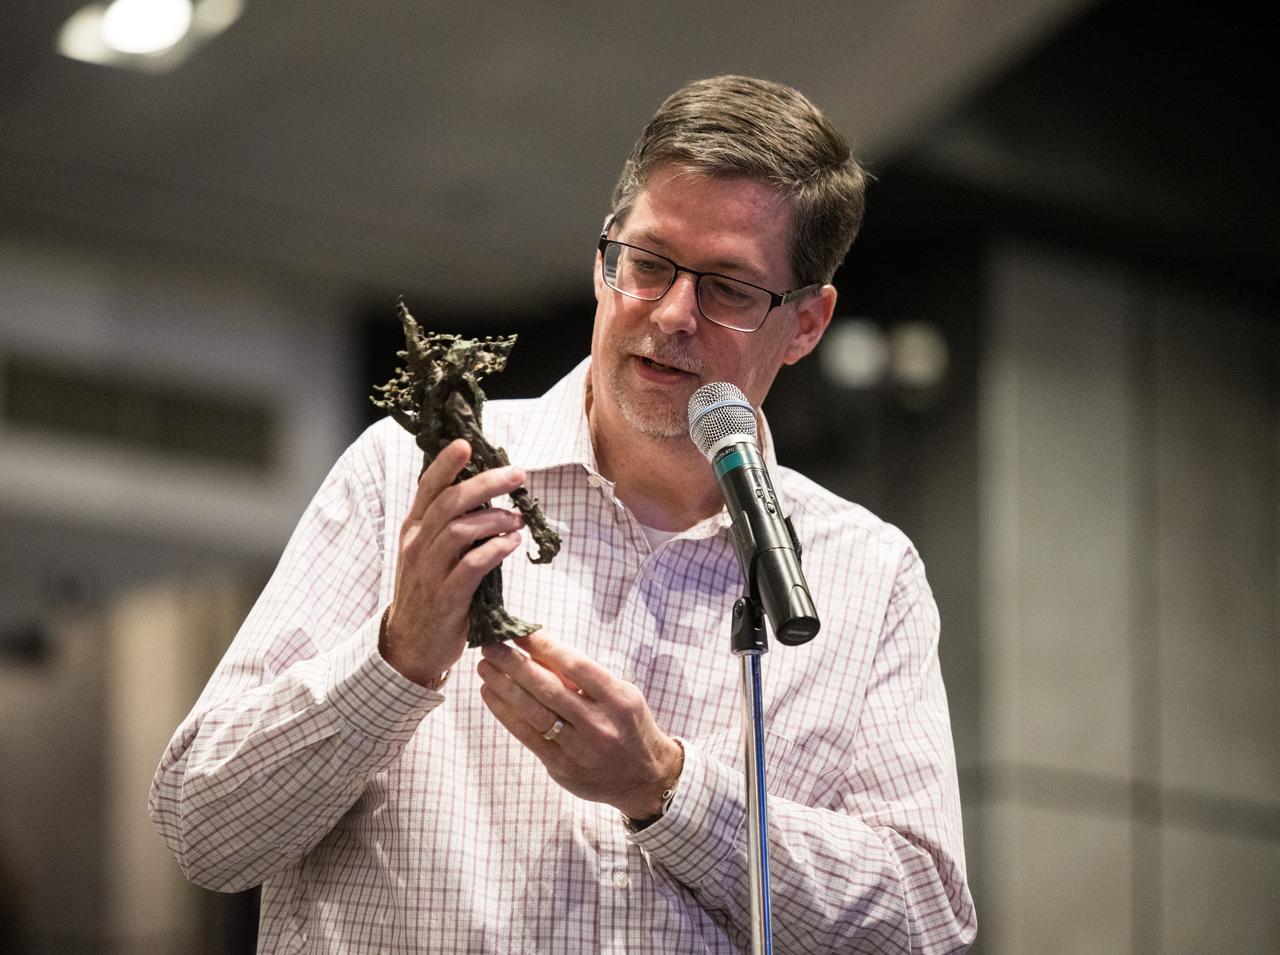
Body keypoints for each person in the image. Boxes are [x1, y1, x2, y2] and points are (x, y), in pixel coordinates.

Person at [149, 75, 976, 953]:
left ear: (808, 322)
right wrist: (397, 655)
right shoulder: (412, 473)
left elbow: (922, 922)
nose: (670, 314)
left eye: (729, 288)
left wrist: (668, 791)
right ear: (601, 257)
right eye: (648, 263)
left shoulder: (865, 572)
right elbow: (205, 831)